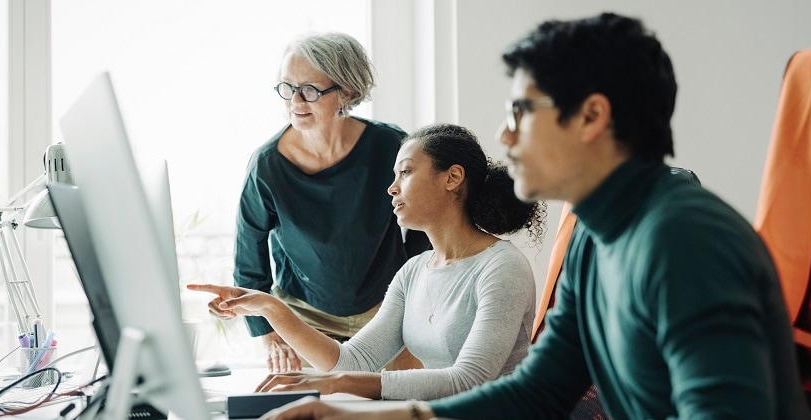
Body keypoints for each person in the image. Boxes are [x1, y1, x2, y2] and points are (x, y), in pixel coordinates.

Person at [259, 12, 811, 419]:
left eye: (521, 111)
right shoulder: (594, 239)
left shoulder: (685, 240)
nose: (504, 136)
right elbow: (539, 390)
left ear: (591, 116)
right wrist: (370, 412)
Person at [189, 123, 546, 400]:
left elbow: (469, 380)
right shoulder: (413, 272)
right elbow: (351, 360)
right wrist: (269, 307)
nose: (392, 187)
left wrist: (339, 383)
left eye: (406, 172)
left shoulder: (502, 267)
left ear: (452, 178)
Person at [231, 32, 427, 372]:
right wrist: (268, 333)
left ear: (346, 92)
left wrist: (412, 299)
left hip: (386, 311)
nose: (295, 101)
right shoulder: (267, 165)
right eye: (287, 87)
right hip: (304, 318)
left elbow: (425, 224)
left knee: (401, 398)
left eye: (309, 90)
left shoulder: (390, 146)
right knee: (312, 400)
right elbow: (250, 257)